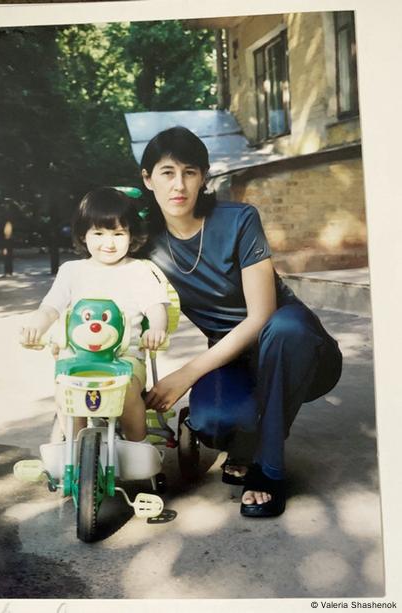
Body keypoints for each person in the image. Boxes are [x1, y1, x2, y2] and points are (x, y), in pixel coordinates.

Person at [141, 126, 342, 517]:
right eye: (166, 172)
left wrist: (186, 374)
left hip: (297, 349)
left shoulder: (238, 219)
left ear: (204, 177)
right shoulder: (144, 239)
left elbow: (261, 315)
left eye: (190, 172)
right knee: (212, 423)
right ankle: (245, 440)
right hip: (234, 355)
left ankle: (269, 470)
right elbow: (101, 245)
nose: (178, 184)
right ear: (147, 179)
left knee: (284, 328)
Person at [20, 187, 169, 442]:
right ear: (83, 234)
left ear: (130, 234)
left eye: (118, 233)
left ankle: (136, 443)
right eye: (99, 233)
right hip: (78, 358)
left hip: (124, 359)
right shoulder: (72, 271)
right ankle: (74, 450)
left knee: (129, 394)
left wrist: (156, 329)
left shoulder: (139, 271)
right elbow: (50, 308)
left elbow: (157, 306)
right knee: (65, 393)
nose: (109, 243)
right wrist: (35, 327)